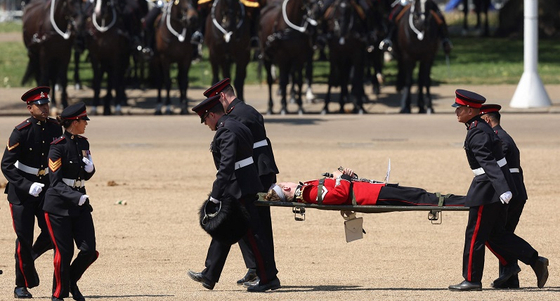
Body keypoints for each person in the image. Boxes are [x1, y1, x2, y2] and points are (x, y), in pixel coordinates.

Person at [448, 89, 549, 291]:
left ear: (469, 110)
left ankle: (472, 279)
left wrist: (503, 188)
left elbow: (489, 163)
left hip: (487, 189)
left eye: (459, 108)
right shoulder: (482, 127)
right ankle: (533, 260)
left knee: (475, 236)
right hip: (493, 189)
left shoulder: (477, 131)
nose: (456, 112)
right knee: (496, 234)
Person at [188, 95, 280, 292]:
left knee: (254, 234)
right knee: (226, 228)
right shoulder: (236, 125)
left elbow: (226, 166)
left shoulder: (226, 131)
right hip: (244, 184)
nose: (207, 125)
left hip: (239, 187)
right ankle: (210, 275)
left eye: (206, 120)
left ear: (212, 115)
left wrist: (215, 196)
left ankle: (268, 278)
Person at [1, 87, 62, 299]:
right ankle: (20, 285)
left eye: (46, 104)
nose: (45, 108)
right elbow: (6, 165)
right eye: (40, 105)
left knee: (52, 233)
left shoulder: (55, 128)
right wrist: (27, 185)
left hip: (46, 187)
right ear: (30, 108)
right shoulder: (21, 131)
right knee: (23, 238)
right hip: (22, 192)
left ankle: (31, 257)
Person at [43, 102, 97, 301]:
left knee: (89, 250)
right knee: (64, 253)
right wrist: (76, 196)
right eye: (84, 121)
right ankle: (58, 294)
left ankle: (70, 281)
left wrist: (90, 170)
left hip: (80, 204)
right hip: (58, 206)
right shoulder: (57, 148)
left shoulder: (83, 143)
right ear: (75, 122)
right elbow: (55, 183)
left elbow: (83, 174)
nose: (86, 124)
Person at [479, 104, 528, 288]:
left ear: (487, 120)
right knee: (505, 234)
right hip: (515, 191)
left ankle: (532, 258)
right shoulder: (503, 136)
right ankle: (510, 278)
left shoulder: (499, 139)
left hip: (510, 193)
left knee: (497, 234)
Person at [266, 167, 466, 206]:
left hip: (369, 190)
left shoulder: (306, 189)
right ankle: (463, 202)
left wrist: (345, 177)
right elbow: (339, 195)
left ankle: (458, 199)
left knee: (417, 194)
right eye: (284, 184)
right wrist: (341, 177)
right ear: (286, 189)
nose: (288, 182)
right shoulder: (306, 193)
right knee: (420, 198)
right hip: (371, 196)